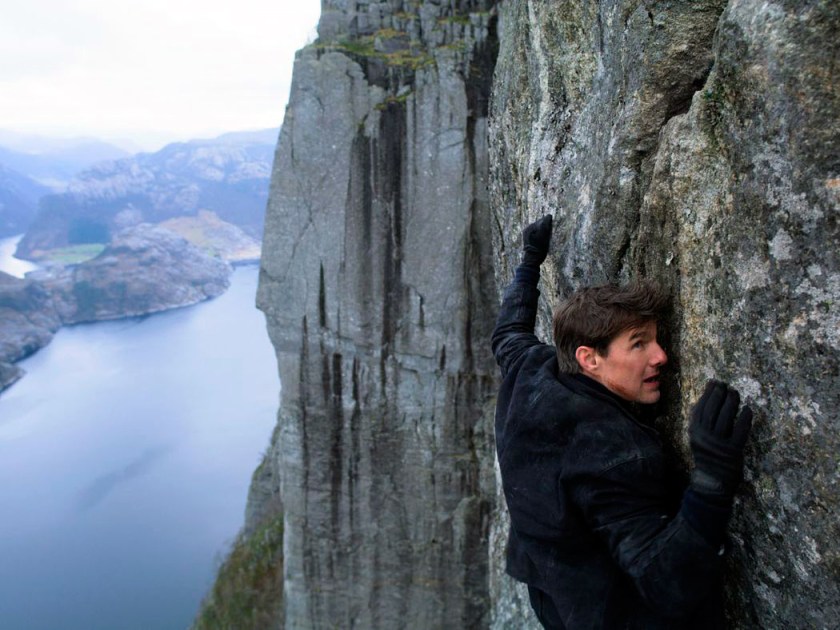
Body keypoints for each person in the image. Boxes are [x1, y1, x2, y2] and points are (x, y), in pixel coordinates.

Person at [492, 215, 753, 629]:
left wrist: (530, 261)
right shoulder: (612, 453)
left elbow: (507, 332)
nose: (661, 357)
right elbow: (666, 582)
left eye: (655, 339)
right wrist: (712, 481)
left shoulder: (531, 369)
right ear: (588, 358)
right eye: (638, 344)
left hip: (550, 591)